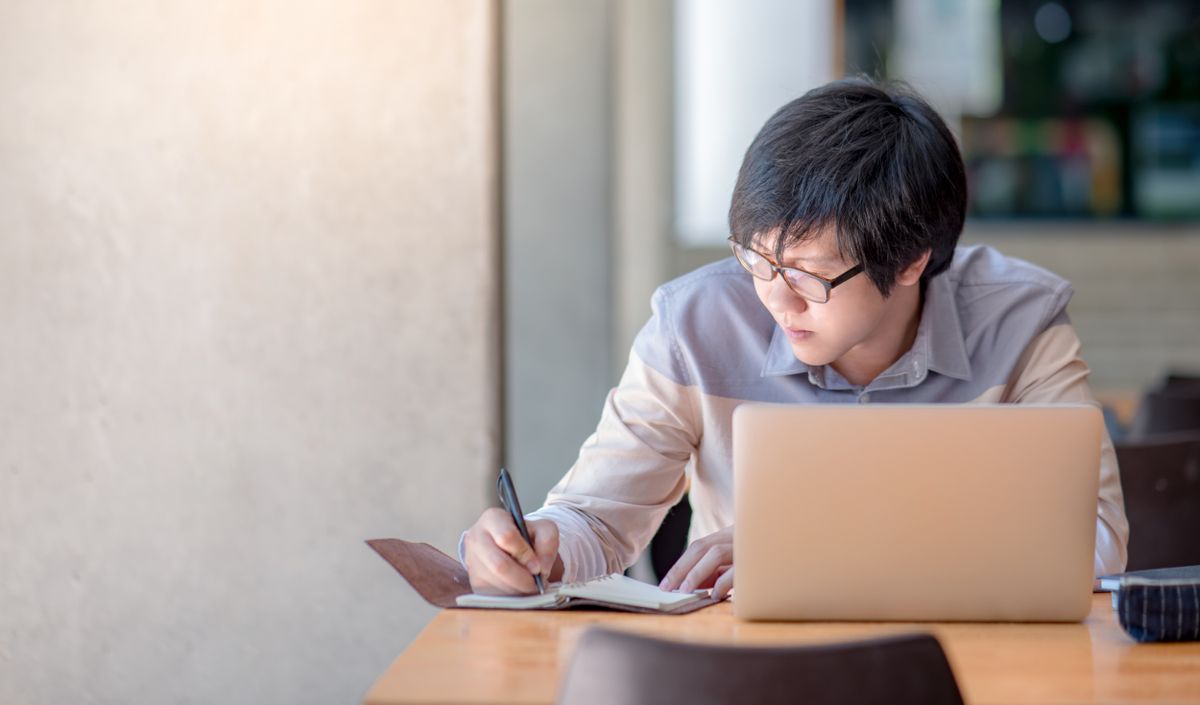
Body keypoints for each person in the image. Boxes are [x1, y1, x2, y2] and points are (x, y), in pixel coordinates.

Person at [461, 78, 1129, 600]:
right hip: (745, 672)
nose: (773, 298)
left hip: (963, 670)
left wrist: (815, 548)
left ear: (910, 260)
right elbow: (598, 520)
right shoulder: (696, 324)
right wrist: (541, 546)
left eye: (807, 277)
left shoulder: (1019, 323)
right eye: (757, 260)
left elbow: (1097, 542)